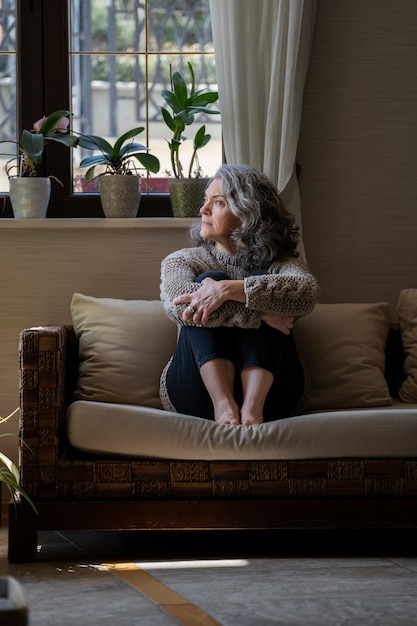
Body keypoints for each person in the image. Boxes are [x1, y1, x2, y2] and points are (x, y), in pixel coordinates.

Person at [159, 164, 320, 426]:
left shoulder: (280, 264)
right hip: (196, 393)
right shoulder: (182, 261)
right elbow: (181, 307)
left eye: (217, 202)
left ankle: (252, 409)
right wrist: (261, 313)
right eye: (205, 200)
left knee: (260, 284)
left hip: (275, 397)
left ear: (247, 214)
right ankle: (223, 405)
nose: (203, 210)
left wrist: (228, 290)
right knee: (208, 284)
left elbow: (307, 293)